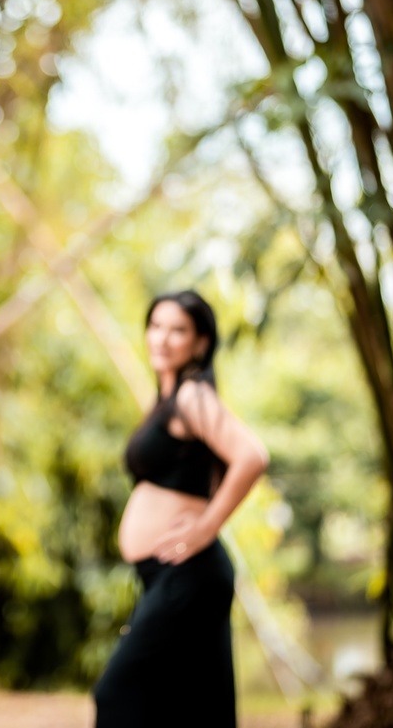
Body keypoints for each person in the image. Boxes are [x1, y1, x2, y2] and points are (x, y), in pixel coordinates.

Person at [93, 290, 268, 727]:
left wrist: (206, 527)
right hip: (170, 576)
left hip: (187, 574)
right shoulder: (169, 402)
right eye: (156, 326)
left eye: (178, 330)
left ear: (201, 343)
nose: (162, 338)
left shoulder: (192, 397)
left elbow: (252, 456)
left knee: (116, 694)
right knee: (183, 710)